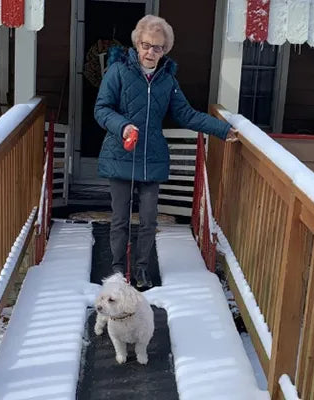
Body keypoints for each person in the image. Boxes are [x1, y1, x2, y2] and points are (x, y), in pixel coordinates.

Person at [94, 15, 237, 288]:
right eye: (146, 45)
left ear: (165, 50)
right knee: (120, 219)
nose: (151, 52)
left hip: (152, 158)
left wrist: (222, 129)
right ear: (137, 44)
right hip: (120, 153)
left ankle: (142, 269)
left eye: (157, 47)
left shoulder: (167, 80)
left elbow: (186, 114)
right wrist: (122, 126)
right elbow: (101, 109)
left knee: (148, 220)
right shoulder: (118, 71)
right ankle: (115, 270)